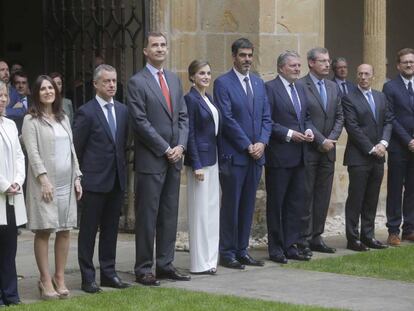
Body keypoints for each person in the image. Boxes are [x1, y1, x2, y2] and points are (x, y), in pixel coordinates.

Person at [127, 32, 189, 286]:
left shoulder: (174, 80)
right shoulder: (137, 82)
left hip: (174, 159)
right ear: (145, 51)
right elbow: (140, 122)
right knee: (147, 216)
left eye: (163, 45)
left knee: (169, 214)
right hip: (152, 159)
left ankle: (165, 264)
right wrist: (165, 147)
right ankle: (143, 268)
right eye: (155, 45)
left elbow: (184, 117)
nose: (160, 49)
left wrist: (181, 146)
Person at [22, 75, 82, 299]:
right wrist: (43, 178)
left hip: (66, 182)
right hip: (45, 184)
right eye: (43, 88)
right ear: (36, 93)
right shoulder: (31, 120)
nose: (48, 91)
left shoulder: (63, 117)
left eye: (51, 87)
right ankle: (45, 280)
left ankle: (60, 277)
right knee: (45, 230)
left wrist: (77, 176)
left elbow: (72, 149)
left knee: (65, 229)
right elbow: (33, 152)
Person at [214, 38, 271, 269]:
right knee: (231, 206)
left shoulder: (258, 83)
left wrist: (263, 143)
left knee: (248, 205)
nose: (247, 59)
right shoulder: (222, 83)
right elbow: (226, 119)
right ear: (234, 56)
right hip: (235, 156)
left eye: (250, 55)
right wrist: (248, 145)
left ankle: (242, 250)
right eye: (243, 55)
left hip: (256, 156)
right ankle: (227, 253)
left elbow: (267, 117)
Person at [73, 64, 130, 293]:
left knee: (110, 230)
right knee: (88, 232)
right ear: (96, 84)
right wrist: (79, 178)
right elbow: (76, 149)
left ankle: (109, 273)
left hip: (116, 180)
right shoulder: (86, 112)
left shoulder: (123, 111)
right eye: (106, 81)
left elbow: (121, 145)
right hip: (93, 182)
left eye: (114, 81)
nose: (112, 85)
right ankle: (88, 277)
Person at [265, 50, 314, 264]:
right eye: (293, 66)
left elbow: (307, 117)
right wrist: (288, 134)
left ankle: (290, 245)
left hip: (300, 155)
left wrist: (310, 130)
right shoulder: (270, 89)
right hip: (279, 156)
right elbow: (267, 121)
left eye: (298, 65)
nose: (297, 69)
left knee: (295, 203)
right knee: (277, 204)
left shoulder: (301, 89)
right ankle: (276, 248)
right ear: (281, 68)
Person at [297, 47, 344, 255]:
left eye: (328, 60)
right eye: (323, 61)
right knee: (306, 195)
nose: (327, 64)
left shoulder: (333, 87)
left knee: (323, 196)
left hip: (328, 150)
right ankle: (303, 238)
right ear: (311, 63)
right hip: (309, 149)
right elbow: (303, 117)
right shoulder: (301, 85)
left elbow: (340, 116)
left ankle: (317, 236)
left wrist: (331, 139)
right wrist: (321, 140)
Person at [342, 64, 392, 251]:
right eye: (360, 74)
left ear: (373, 76)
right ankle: (352, 238)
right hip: (359, 157)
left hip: (378, 156)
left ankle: (368, 236)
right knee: (356, 198)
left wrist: (383, 144)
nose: (363, 77)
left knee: (372, 198)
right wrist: (371, 148)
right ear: (357, 76)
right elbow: (352, 127)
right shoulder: (349, 98)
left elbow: (388, 121)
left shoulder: (381, 96)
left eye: (366, 74)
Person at [184, 60, 220, 275]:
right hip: (200, 163)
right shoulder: (190, 99)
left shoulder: (208, 98)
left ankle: (211, 259)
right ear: (192, 77)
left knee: (212, 211)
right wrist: (196, 164)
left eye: (208, 73)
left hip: (213, 159)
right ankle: (199, 262)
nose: (205, 77)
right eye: (201, 73)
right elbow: (190, 134)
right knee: (200, 213)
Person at [383, 48, 414, 246]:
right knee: (395, 189)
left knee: (412, 189)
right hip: (398, 146)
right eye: (405, 62)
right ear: (398, 65)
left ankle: (409, 229)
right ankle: (393, 230)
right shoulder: (390, 87)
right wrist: (408, 140)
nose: (409, 65)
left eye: (411, 62)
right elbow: (390, 118)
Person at [0, 80, 26, 306]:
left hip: (11, 197)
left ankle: (10, 294)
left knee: (9, 248)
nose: (2, 99)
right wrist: (3, 184)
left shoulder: (10, 124)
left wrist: (17, 181)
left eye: (4, 95)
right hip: (2, 191)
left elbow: (19, 156)